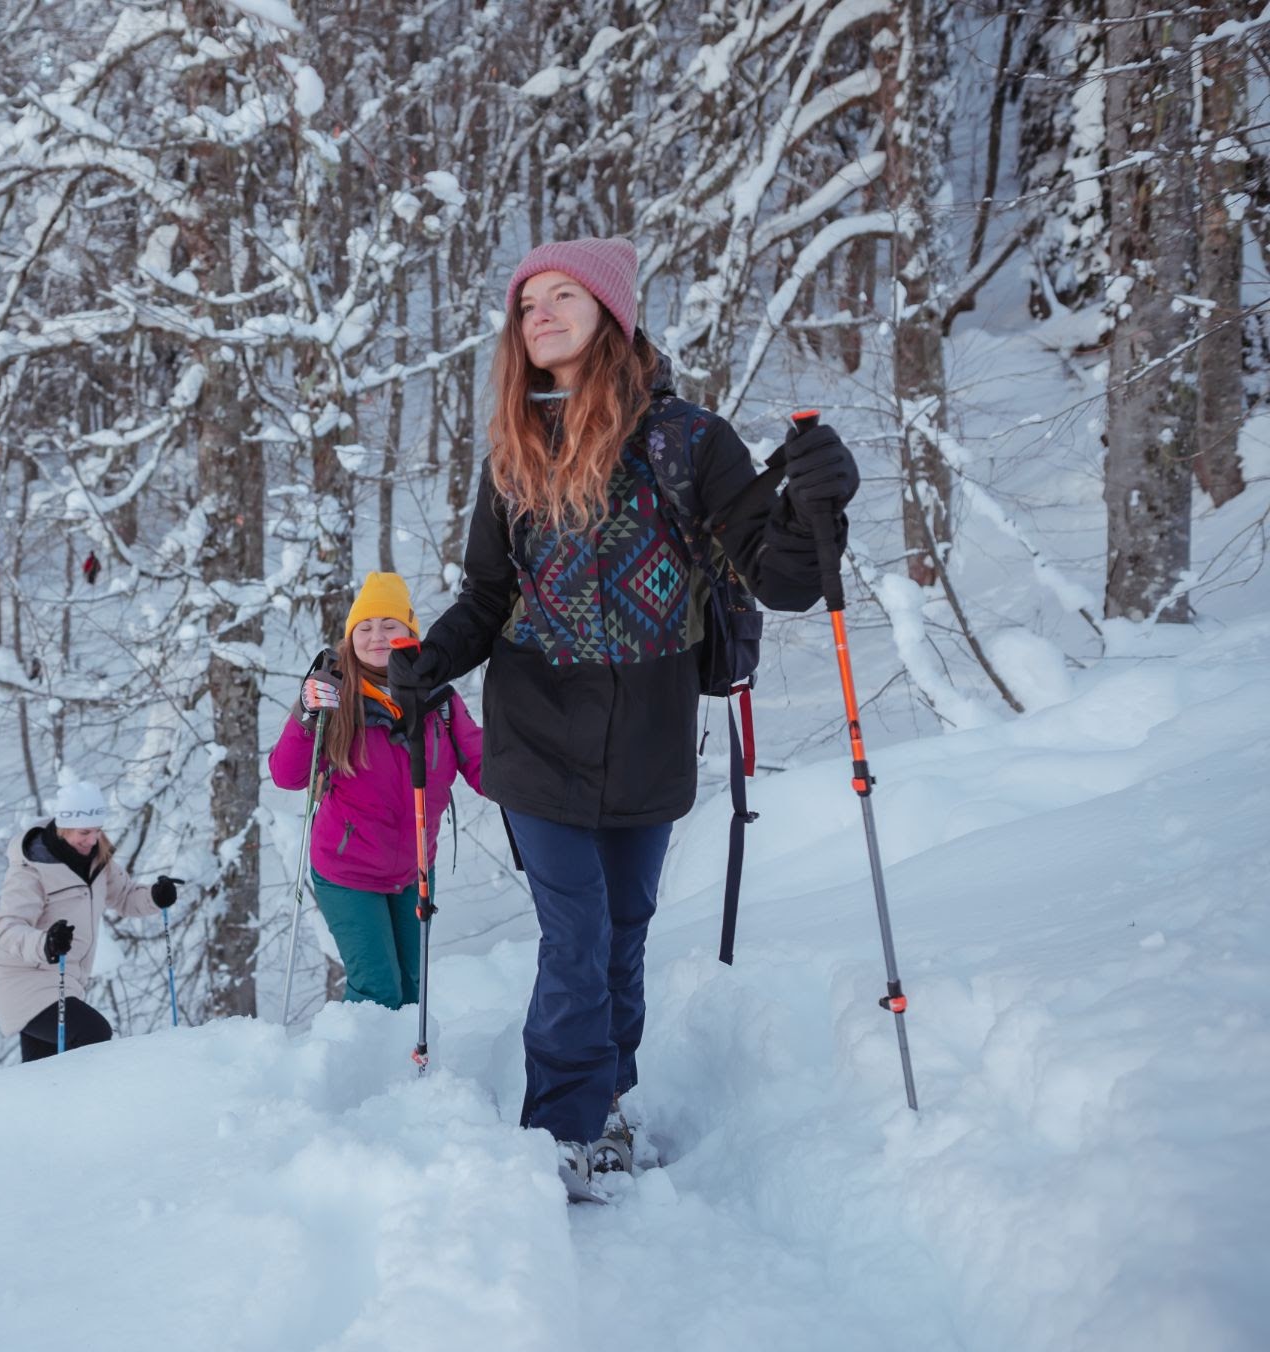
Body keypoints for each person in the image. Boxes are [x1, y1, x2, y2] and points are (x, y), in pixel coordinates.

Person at [387, 237, 859, 1192]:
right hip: (535, 723)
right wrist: (427, 662)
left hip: (649, 727)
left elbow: (779, 579)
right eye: (528, 304)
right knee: (578, 930)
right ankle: (556, 1125)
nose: (543, 314)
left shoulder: (691, 441)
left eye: (566, 295)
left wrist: (819, 506)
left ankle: (606, 1099)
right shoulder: (513, 454)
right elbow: (486, 596)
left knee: (627, 926)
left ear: (615, 312)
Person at [267, 572, 483, 1010]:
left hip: (416, 870)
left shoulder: (438, 698)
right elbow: (287, 775)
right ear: (351, 637)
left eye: (389, 625)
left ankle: (403, 1075)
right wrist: (306, 715)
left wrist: (539, 785)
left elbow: (483, 764)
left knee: (410, 991)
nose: (377, 636)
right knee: (376, 992)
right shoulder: (334, 695)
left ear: (410, 632)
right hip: (348, 873)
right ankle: (358, 1076)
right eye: (365, 628)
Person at [0, 777, 178, 1061]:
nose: (92, 839)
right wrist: (46, 943)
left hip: (62, 980)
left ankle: (48, 1106)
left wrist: (155, 896)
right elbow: (7, 929)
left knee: (44, 1073)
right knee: (93, 1032)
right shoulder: (31, 868)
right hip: (22, 979)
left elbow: (124, 897)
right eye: (84, 832)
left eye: (97, 831)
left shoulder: (97, 861)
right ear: (63, 827)